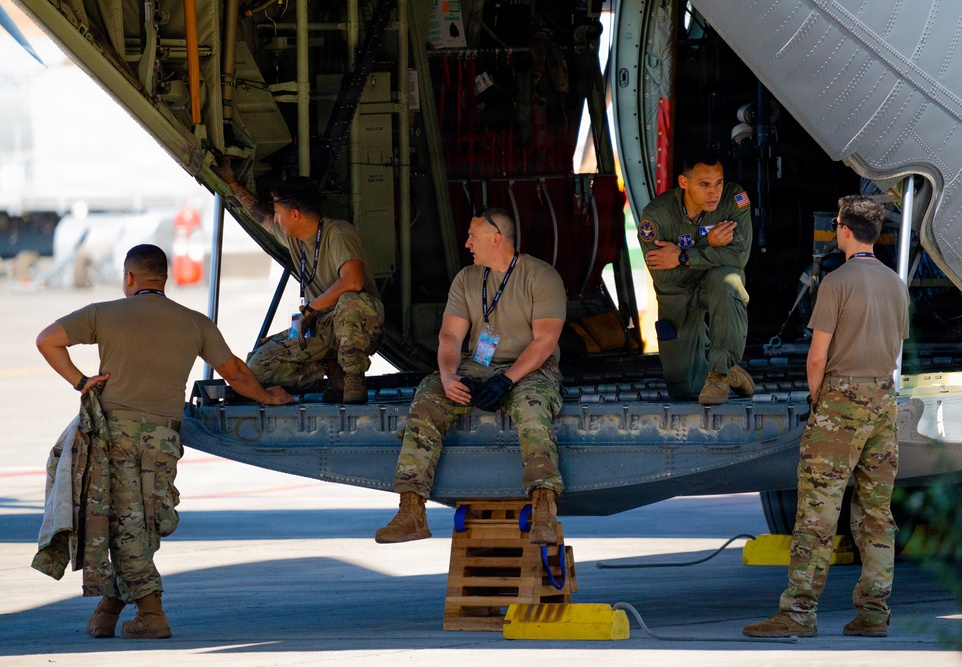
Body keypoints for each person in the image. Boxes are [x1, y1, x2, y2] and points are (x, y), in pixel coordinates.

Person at [34, 244, 294, 639]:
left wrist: (81, 381)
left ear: (129, 278)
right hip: (163, 438)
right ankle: (109, 610)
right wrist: (268, 396)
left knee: (124, 523)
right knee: (143, 521)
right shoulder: (194, 323)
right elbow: (237, 373)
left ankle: (152, 614)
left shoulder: (102, 314)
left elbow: (47, 340)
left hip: (114, 437)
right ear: (164, 279)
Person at [743, 195, 909, 638]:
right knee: (876, 512)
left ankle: (798, 611)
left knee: (818, 511)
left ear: (846, 229)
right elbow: (895, 350)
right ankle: (874, 612)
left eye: (837, 224)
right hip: (883, 399)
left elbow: (817, 357)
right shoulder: (896, 284)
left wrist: (820, 403)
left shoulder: (837, 281)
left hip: (842, 400)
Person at [375, 207, 567, 545]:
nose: (466, 243)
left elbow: (545, 341)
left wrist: (507, 380)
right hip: (477, 365)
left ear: (496, 239)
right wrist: (449, 377)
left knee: (533, 407)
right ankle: (411, 510)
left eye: (472, 236)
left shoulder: (541, 276)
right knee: (428, 396)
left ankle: (543, 508)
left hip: (529, 366)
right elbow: (450, 336)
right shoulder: (467, 278)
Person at [218, 162, 384, 404]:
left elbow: (353, 280)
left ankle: (353, 378)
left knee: (350, 302)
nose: (276, 218)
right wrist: (232, 184)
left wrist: (310, 309)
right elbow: (261, 216)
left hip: (361, 323)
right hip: (323, 325)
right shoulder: (294, 238)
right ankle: (331, 371)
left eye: (279, 212)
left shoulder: (337, 233)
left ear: (295, 214)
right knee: (257, 367)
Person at [638, 150, 756, 404]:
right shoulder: (656, 216)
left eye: (719, 182)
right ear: (684, 182)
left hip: (714, 282)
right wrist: (710, 245)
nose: (714, 192)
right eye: (704, 184)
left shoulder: (734, 200)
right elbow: (667, 279)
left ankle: (721, 371)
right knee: (683, 389)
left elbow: (738, 257)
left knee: (729, 281)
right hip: (678, 293)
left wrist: (684, 255)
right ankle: (732, 375)